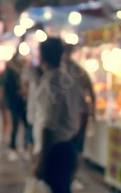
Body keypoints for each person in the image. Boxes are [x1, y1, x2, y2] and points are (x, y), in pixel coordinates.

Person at [33, 38, 88, 193]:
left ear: (42, 57)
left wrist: (41, 162)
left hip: (54, 152)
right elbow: (85, 110)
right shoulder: (68, 79)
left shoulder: (50, 82)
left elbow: (48, 126)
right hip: (68, 147)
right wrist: (77, 138)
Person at [62, 44, 96, 190]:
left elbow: (90, 91)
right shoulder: (73, 70)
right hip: (74, 117)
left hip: (75, 117)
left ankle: (70, 177)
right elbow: (91, 92)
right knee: (75, 149)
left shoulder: (69, 71)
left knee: (74, 148)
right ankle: (70, 177)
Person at [4, 56, 30, 161]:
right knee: (15, 126)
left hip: (24, 104)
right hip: (15, 103)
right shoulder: (11, 74)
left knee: (26, 125)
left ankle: (24, 147)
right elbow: (8, 89)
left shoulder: (24, 73)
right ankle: (13, 147)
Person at [0, 69, 11, 146]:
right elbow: (0, 90)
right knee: (6, 120)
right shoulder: (4, 77)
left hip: (5, 101)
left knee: (5, 120)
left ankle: (4, 136)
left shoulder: (1, 78)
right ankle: (4, 137)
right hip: (6, 101)